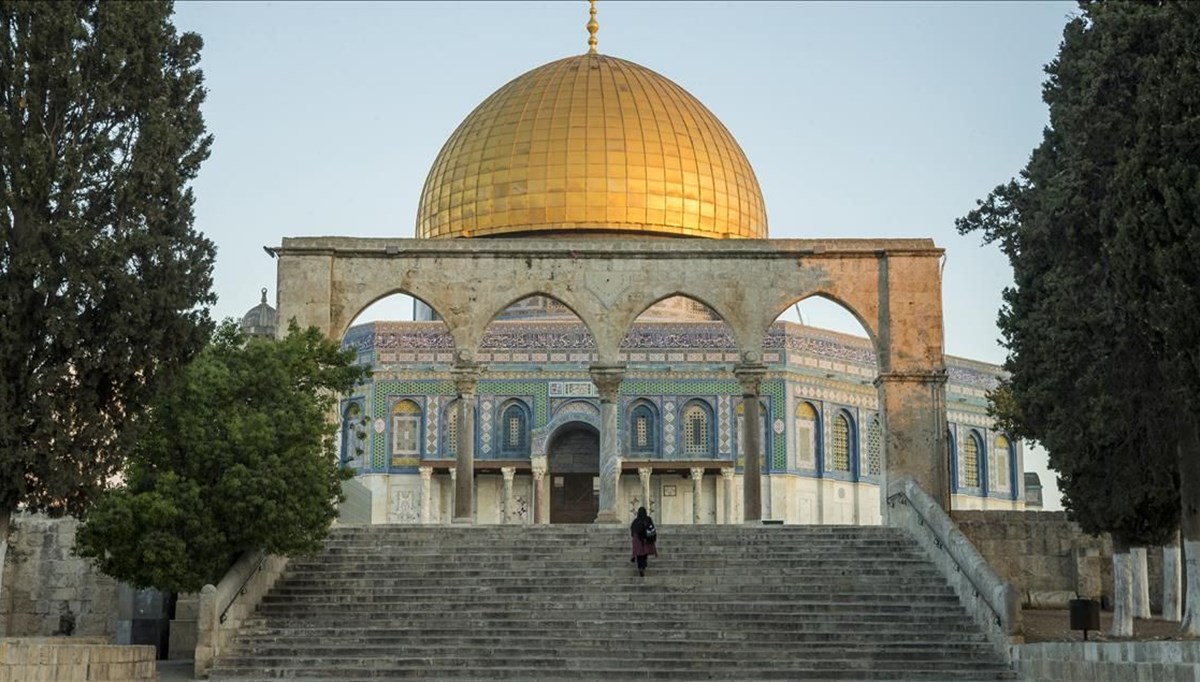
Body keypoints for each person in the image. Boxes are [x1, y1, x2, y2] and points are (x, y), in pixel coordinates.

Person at [629, 506, 657, 577]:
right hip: (646, 540)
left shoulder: (636, 521)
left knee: (639, 554)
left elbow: (632, 530)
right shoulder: (648, 519)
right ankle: (643, 566)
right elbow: (652, 528)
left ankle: (640, 567)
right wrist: (652, 538)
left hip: (638, 540)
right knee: (644, 554)